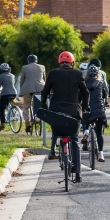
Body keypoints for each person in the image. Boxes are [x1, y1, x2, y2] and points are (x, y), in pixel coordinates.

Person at [40, 51, 89, 183]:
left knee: (56, 128)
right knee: (74, 140)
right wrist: (83, 108)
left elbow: (44, 92)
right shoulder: (78, 74)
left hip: (56, 110)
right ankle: (78, 174)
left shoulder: (53, 73)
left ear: (59, 62)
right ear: (72, 62)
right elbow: (86, 93)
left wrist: (44, 105)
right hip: (74, 111)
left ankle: (53, 150)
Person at [81, 65, 107, 162]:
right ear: (97, 74)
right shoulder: (100, 83)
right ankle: (101, 154)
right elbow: (103, 95)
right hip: (99, 109)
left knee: (87, 116)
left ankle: (86, 131)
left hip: (88, 108)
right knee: (99, 132)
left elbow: (80, 96)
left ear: (88, 74)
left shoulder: (83, 83)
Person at [19, 54, 46, 133]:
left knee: (26, 106)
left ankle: (27, 122)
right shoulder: (42, 67)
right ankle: (37, 118)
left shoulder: (25, 67)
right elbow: (44, 79)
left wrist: (22, 90)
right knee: (37, 105)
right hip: (40, 88)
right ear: (36, 60)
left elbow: (22, 80)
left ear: (28, 61)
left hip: (27, 89)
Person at [0, 63, 17, 131]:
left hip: (5, 94)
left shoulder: (1, 76)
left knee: (1, 108)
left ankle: (2, 123)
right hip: (14, 93)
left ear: (1, 69)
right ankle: (13, 113)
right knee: (8, 103)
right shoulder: (13, 75)